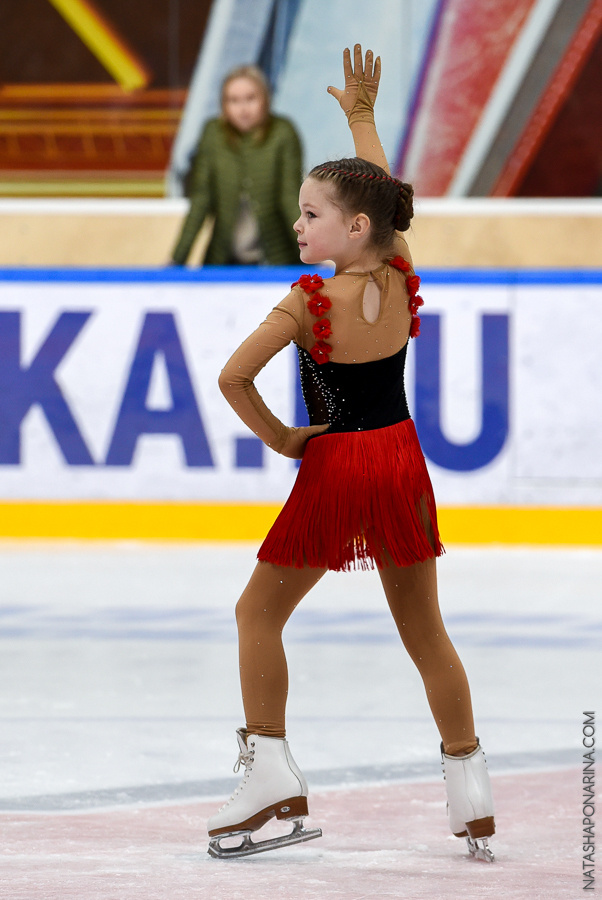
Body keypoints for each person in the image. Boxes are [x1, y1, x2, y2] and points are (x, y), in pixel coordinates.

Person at [207, 46, 495, 862]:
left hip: (336, 471)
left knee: (257, 614)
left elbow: (232, 377)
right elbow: (388, 204)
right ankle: (470, 793)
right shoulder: (401, 273)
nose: (298, 225)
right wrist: (362, 120)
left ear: (353, 226)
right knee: (425, 632)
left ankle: (269, 768)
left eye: (310, 214)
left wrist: (286, 438)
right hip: (402, 461)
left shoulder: (305, 302)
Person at [170, 65, 302, 266]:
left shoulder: (283, 132)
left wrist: (316, 251)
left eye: (250, 98)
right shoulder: (212, 133)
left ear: (265, 99)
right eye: (233, 100)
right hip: (222, 260)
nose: (243, 108)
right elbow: (201, 200)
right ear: (223, 105)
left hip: (278, 259)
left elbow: (290, 198)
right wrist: (176, 260)